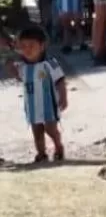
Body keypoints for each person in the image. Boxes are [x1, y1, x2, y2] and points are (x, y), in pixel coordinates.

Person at [5, 26, 67, 162]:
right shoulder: (23, 66)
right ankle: (41, 153)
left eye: (31, 45)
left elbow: (60, 80)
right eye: (23, 46)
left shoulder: (49, 64)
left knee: (51, 129)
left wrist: (63, 97)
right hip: (32, 107)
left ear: (42, 46)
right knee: (37, 132)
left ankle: (58, 146)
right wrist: (10, 67)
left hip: (49, 105)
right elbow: (18, 76)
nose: (27, 49)